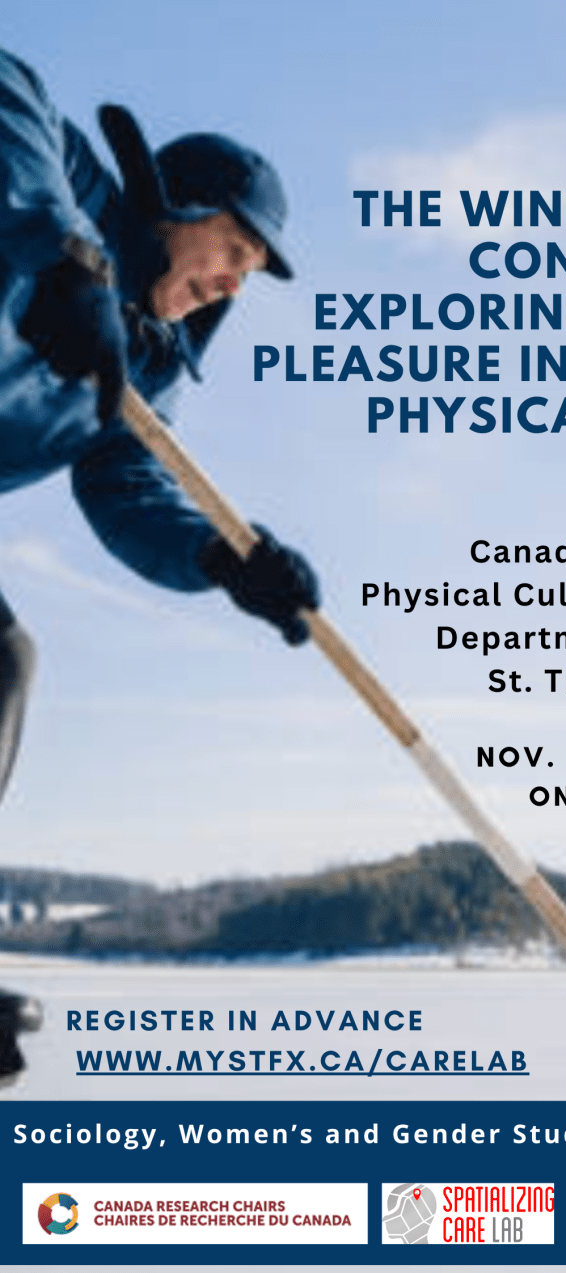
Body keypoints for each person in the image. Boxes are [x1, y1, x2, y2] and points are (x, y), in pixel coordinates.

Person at [0, 47, 320, 1076]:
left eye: (249, 274)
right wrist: (59, 259)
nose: (234, 279)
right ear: (175, 206)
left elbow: (129, 491)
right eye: (232, 246)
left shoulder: (144, 368)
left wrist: (221, 559)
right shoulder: (71, 198)